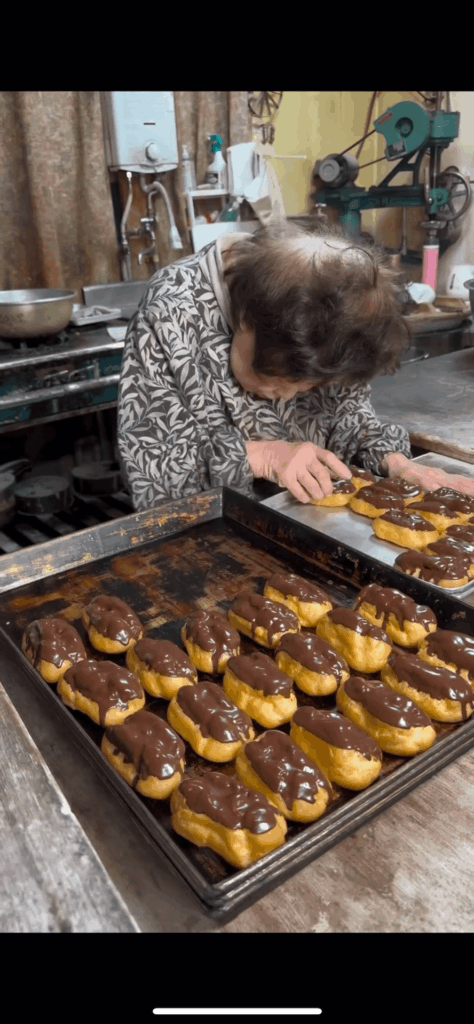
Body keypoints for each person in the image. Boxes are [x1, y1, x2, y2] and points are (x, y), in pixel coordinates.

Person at [117, 220, 474, 510]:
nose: (288, 398)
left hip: (309, 515)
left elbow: (348, 416)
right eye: (276, 381)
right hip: (211, 532)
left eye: (309, 387)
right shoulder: (170, 313)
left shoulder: (336, 309)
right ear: (245, 319)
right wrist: (263, 455)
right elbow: (153, 473)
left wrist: (393, 462)